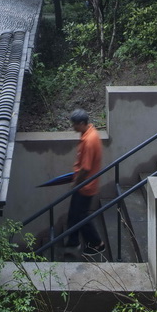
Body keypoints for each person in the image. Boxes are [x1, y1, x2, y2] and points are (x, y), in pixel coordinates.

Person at [65, 109, 105, 255]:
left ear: (82, 123)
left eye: (74, 125)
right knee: (73, 213)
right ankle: (73, 240)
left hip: (85, 185)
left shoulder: (89, 141)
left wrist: (76, 183)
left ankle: (97, 244)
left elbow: (86, 168)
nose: (73, 127)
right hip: (84, 183)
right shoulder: (89, 133)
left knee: (81, 215)